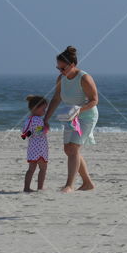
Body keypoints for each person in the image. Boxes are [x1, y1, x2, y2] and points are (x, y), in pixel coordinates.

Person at [45, 45, 99, 193]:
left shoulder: (84, 78)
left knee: (73, 148)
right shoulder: (61, 79)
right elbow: (56, 98)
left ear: (73, 65)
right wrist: (46, 118)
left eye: (63, 68)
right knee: (68, 149)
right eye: (58, 68)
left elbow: (94, 100)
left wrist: (79, 110)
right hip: (70, 117)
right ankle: (88, 183)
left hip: (87, 116)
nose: (61, 71)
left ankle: (70, 185)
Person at [22, 95, 49, 192]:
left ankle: (26, 187)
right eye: (43, 109)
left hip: (32, 148)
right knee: (43, 168)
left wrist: (31, 133)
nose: (44, 111)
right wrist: (46, 127)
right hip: (40, 148)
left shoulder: (28, 120)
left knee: (31, 169)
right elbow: (39, 132)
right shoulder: (38, 120)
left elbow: (25, 134)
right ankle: (40, 187)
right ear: (35, 108)